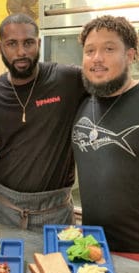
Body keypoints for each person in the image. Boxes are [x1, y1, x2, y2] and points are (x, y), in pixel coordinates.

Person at [0, 13, 86, 233]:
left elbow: (111, 86)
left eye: (28, 42)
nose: (21, 52)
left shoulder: (68, 80)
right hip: (3, 208)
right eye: (12, 44)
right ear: (0, 47)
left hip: (55, 212)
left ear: (38, 43)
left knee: (55, 268)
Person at [72, 15, 139, 256]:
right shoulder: (83, 101)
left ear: (130, 55)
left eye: (109, 48)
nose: (97, 58)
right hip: (91, 246)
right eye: (90, 50)